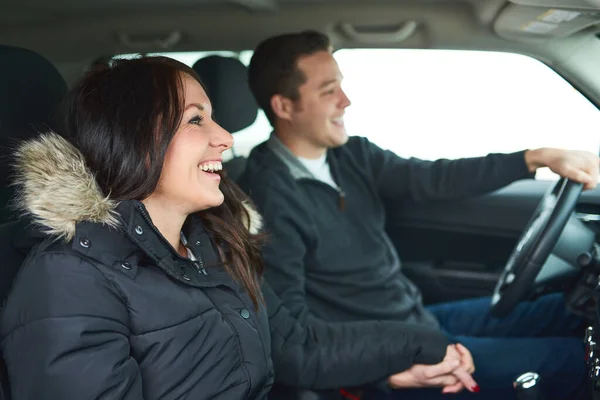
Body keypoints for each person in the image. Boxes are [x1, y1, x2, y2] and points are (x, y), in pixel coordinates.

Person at [0, 55, 477, 400]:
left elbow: (293, 348)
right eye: (195, 120)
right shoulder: (67, 280)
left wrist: (404, 361)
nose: (224, 138)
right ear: (132, 139)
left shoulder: (212, 242)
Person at [238, 30, 600, 400]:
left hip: (415, 318)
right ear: (284, 107)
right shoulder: (268, 199)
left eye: (341, 86)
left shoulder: (351, 155)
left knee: (571, 310)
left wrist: (535, 157)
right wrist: (381, 371)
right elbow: (292, 331)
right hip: (387, 355)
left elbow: (432, 178)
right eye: (329, 90)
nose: (346, 101)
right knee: (576, 361)